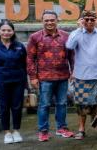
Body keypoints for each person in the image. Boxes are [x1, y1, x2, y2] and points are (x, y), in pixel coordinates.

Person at [66, 10, 97, 139]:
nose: (89, 22)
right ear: (82, 20)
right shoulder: (76, 33)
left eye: (91, 19)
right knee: (82, 105)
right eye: (86, 19)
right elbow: (69, 46)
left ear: (96, 20)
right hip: (82, 76)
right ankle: (81, 130)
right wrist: (78, 29)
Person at [27, 10, 75, 142]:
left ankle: (62, 128)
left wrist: (74, 71)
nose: (49, 22)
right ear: (42, 21)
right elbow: (30, 58)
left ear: (57, 20)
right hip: (44, 77)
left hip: (63, 76)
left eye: (52, 20)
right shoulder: (35, 37)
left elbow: (72, 56)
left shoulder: (66, 36)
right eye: (46, 20)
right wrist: (33, 77)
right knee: (44, 105)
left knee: (62, 103)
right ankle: (43, 131)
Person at [0, 19, 26, 144]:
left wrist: (26, 84)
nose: (6, 32)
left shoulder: (19, 46)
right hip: (0, 81)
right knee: (4, 107)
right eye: (4, 30)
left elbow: (24, 65)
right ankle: (7, 132)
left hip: (18, 80)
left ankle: (16, 131)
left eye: (9, 30)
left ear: (13, 31)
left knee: (17, 107)